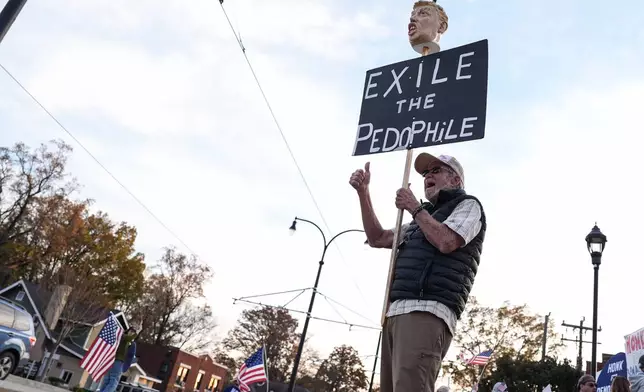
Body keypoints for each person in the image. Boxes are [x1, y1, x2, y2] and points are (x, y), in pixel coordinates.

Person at [349, 153, 486, 392]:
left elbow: (446, 241)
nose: (428, 176)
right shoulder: (419, 220)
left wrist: (414, 207)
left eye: (436, 170)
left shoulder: (468, 206)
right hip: (396, 312)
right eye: (425, 173)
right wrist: (364, 193)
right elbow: (378, 238)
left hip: (426, 311)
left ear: (455, 180)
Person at [99, 326, 138, 392]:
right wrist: (137, 333)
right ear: (127, 331)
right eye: (131, 331)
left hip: (111, 360)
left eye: (133, 332)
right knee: (113, 381)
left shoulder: (123, 339)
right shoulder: (123, 337)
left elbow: (130, 355)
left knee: (107, 380)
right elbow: (129, 338)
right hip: (118, 361)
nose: (132, 333)